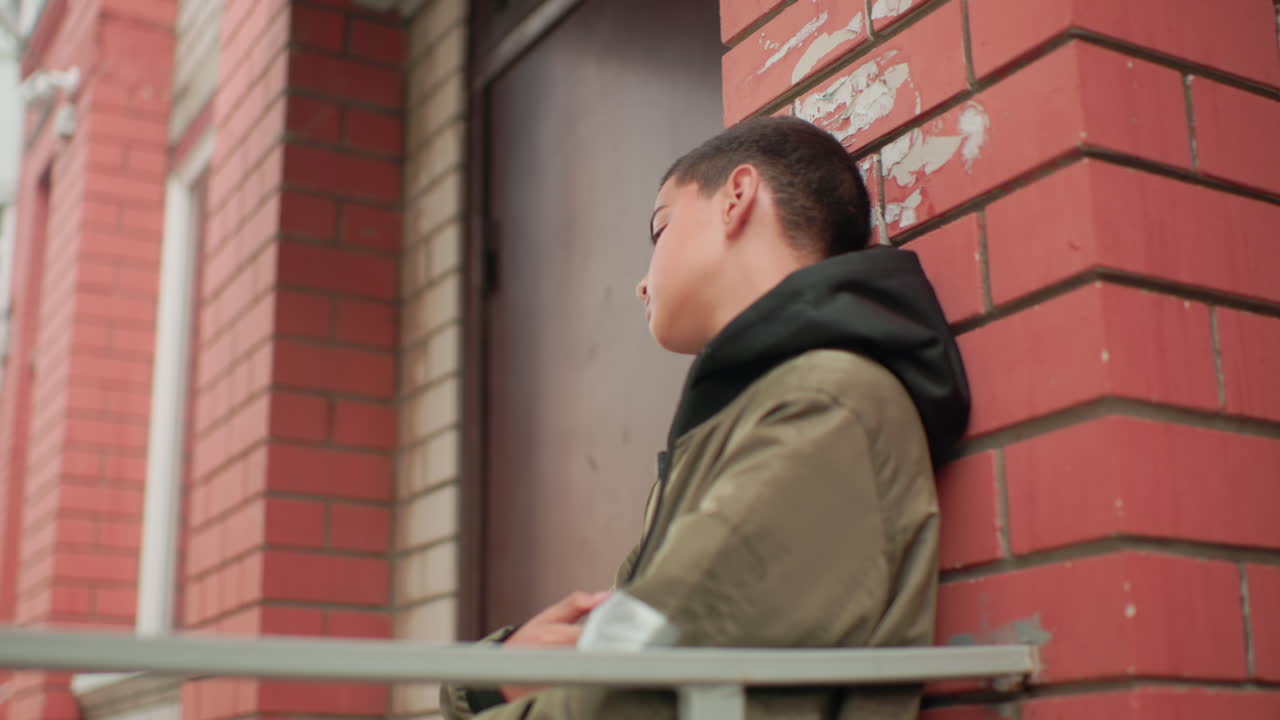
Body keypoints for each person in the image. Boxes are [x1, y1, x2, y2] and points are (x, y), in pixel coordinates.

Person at [442, 116, 970, 719]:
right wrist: (490, 676)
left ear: (737, 198)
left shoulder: (826, 402)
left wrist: (480, 693)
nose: (641, 284)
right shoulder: (767, 406)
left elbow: (641, 695)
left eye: (659, 228)